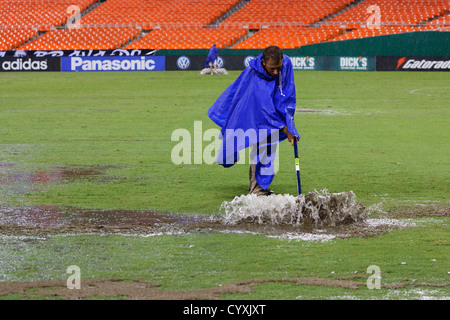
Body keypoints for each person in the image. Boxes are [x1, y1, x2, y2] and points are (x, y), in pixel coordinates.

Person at [208, 45, 300, 196]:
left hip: (267, 113)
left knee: (268, 144)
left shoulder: (286, 64)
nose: (276, 72)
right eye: (272, 69)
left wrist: (290, 124)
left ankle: (259, 187)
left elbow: (287, 96)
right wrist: (285, 128)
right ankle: (257, 190)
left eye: (278, 67)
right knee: (263, 142)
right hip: (250, 111)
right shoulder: (256, 77)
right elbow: (264, 110)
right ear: (263, 63)